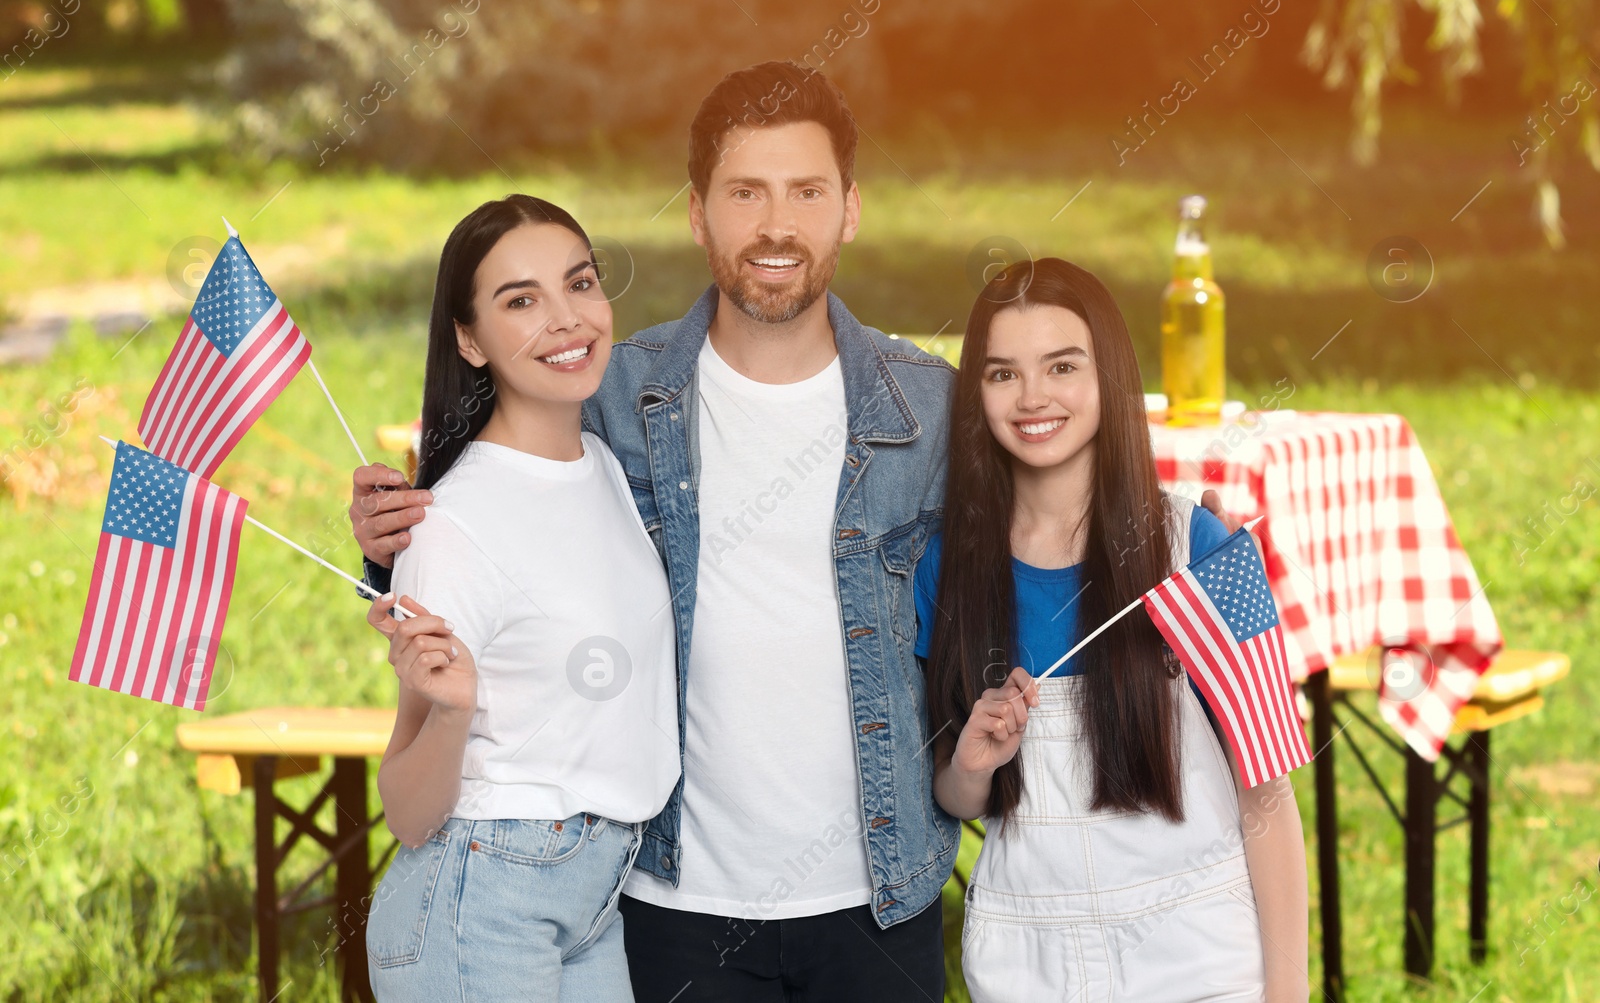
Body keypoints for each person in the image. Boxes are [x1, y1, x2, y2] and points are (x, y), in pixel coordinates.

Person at [351, 61, 958, 1001]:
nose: (776, 224)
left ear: (851, 208)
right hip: (668, 900)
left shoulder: (926, 406)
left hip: (878, 899)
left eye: (806, 190)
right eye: (744, 192)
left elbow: (1016, 563)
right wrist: (381, 546)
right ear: (696, 212)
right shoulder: (615, 397)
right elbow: (489, 508)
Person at [918, 258, 1310, 1002]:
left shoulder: (1201, 549)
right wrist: (971, 765)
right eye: (1002, 374)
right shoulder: (948, 568)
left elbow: (1269, 793)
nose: (1034, 396)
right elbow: (959, 794)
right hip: (1026, 963)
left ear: (1110, 373)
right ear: (976, 394)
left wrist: (1288, 993)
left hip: (1199, 956)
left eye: (1061, 365)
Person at [360, 195, 680, 1001]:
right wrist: (455, 708)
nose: (566, 320)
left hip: (593, 894)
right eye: (521, 301)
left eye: (580, 283)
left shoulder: (604, 467)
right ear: (469, 340)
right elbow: (405, 809)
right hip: (481, 898)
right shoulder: (451, 523)